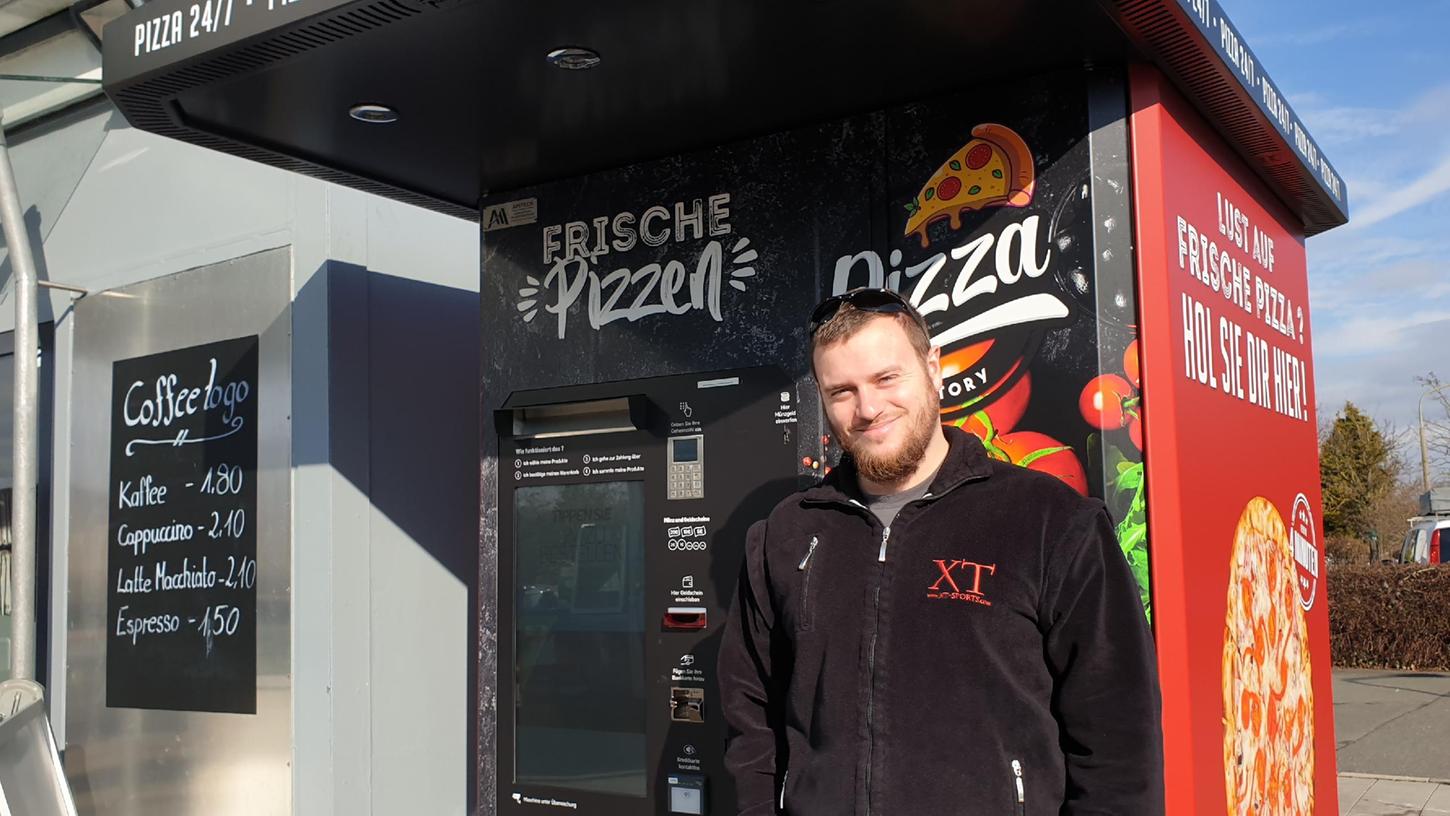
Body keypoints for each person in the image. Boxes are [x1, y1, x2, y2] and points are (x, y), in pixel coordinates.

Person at [718, 288, 1164, 815]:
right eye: (842, 391)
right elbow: (751, 720)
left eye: (887, 378)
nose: (868, 408)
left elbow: (1117, 740)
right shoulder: (786, 534)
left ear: (933, 368)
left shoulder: (1051, 522)